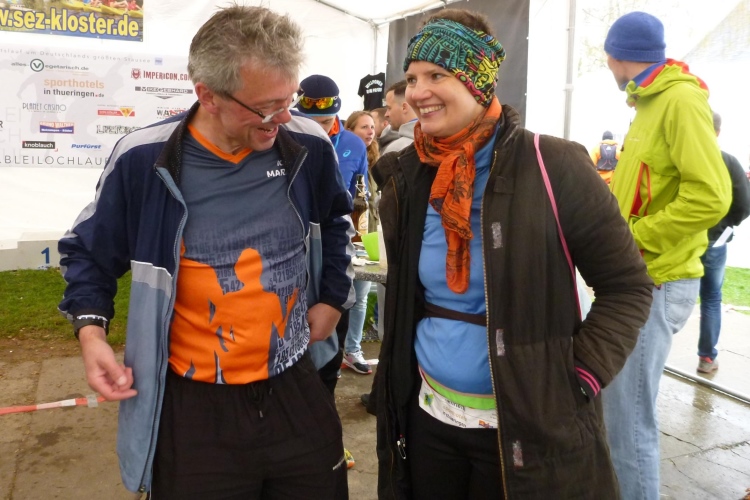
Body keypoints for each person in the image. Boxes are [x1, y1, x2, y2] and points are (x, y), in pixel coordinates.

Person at [58, 6, 354, 498]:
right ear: (207, 95)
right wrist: (92, 335)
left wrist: (332, 298)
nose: (282, 119)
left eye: (288, 101)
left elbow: (338, 223)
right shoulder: (143, 159)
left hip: (295, 387)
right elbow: (88, 253)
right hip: (194, 406)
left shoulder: (308, 144)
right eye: (266, 108)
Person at [372, 9, 653, 499]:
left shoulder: (554, 165)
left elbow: (627, 286)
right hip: (428, 420)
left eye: (437, 75)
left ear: (478, 81)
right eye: (412, 78)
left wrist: (580, 376)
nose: (417, 92)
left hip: (529, 426)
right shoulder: (409, 173)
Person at [600, 12, 731, 500]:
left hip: (657, 281)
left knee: (629, 425)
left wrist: (636, 237)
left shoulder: (679, 100)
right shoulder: (649, 102)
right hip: (638, 279)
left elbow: (711, 195)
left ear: (614, 55)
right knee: (616, 417)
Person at [696, 112, 750, 373]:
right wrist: (726, 225)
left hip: (685, 240)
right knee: (711, 298)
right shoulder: (729, 161)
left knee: (667, 296)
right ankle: (707, 358)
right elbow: (744, 205)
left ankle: (654, 355)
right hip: (715, 241)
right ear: (718, 131)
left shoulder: (686, 159)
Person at [345, 110, 381, 232]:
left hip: (371, 228)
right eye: (364, 127)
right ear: (349, 131)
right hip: (353, 230)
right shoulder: (345, 159)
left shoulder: (374, 158)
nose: (370, 132)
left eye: (372, 127)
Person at [381, 80, 418, 154]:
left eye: (389, 108)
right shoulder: (437, 142)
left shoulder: (396, 148)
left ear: (404, 107)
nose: (386, 114)